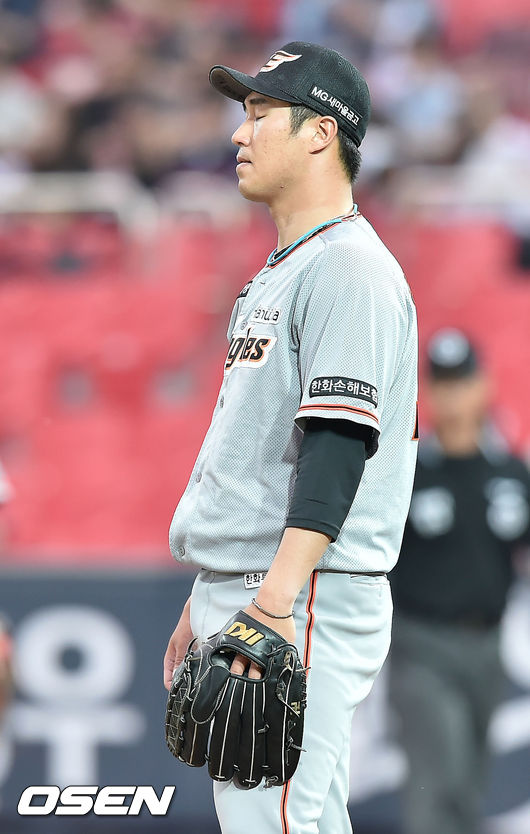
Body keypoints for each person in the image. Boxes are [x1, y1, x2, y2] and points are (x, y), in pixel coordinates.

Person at [164, 41, 418, 834]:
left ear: (320, 133)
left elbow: (337, 448)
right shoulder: (290, 266)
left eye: (261, 113)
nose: (239, 133)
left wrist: (271, 602)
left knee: (274, 824)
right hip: (266, 585)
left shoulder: (347, 269)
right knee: (299, 819)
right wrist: (211, 589)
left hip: (300, 592)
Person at [389, 328, 530, 834]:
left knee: (468, 788)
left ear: (483, 386)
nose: (452, 396)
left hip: (487, 646)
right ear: (428, 391)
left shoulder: (511, 474)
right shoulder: (404, 474)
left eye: (462, 382)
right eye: (442, 384)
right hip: (422, 647)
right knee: (438, 778)